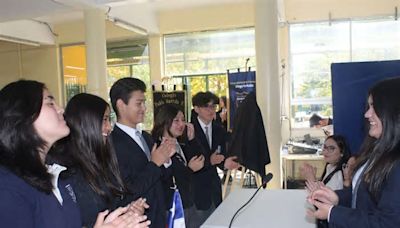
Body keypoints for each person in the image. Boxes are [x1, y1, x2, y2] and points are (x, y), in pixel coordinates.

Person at [0, 80, 144, 228]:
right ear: (22, 116)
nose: (61, 109)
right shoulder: (8, 187)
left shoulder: (57, 177)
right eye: (50, 104)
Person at [307, 77, 400, 228]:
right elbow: (365, 197)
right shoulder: (378, 152)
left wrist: (333, 213)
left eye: (373, 107)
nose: (367, 114)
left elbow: (389, 223)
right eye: (368, 107)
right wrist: (337, 198)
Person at [49, 93, 150, 228]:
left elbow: (109, 206)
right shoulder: (63, 170)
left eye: (109, 120)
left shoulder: (101, 159)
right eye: (104, 120)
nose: (109, 127)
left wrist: (127, 211)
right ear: (86, 122)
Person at [109, 77, 176, 228]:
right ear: (121, 105)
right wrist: (155, 163)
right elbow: (127, 190)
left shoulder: (146, 137)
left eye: (144, 103)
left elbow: (162, 177)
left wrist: (165, 161)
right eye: (139, 103)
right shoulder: (113, 144)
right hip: (137, 221)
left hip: (159, 214)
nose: (144, 108)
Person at [151, 104, 205, 228]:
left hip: (189, 203)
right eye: (176, 120)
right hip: (173, 209)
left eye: (183, 120)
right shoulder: (158, 148)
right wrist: (190, 170)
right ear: (164, 121)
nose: (181, 124)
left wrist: (192, 140)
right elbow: (167, 179)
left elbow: (201, 160)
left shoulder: (181, 143)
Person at [190, 91, 239, 225]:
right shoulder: (189, 130)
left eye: (214, 107)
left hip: (214, 187)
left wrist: (225, 164)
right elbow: (190, 160)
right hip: (196, 190)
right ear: (196, 109)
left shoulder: (218, 129)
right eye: (207, 107)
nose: (211, 110)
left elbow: (220, 156)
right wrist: (209, 161)